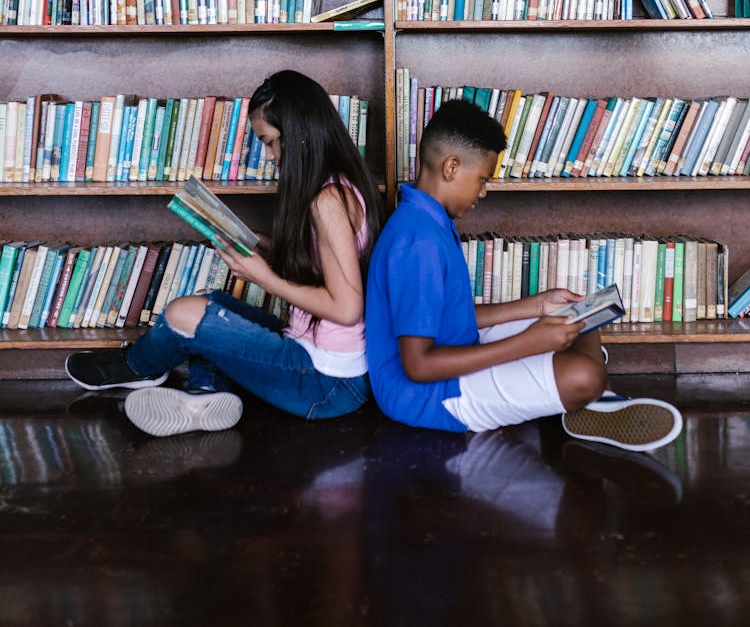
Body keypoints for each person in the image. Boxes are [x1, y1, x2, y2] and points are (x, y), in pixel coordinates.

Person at [66, 70, 384, 437]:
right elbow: (330, 261)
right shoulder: (342, 184)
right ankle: (204, 394)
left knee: (183, 314)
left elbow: (347, 308)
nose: (268, 155)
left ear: (298, 136)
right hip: (326, 366)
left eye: (270, 142)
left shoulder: (327, 200)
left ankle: (141, 367)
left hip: (324, 383)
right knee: (210, 301)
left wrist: (264, 278)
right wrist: (264, 243)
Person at [365, 98, 683, 451]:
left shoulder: (430, 220)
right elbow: (418, 366)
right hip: (425, 396)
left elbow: (448, 317)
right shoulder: (417, 242)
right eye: (482, 179)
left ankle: (592, 400)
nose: (484, 192)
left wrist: (536, 307)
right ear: (451, 167)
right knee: (585, 375)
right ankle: (592, 394)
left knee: (579, 319)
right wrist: (528, 343)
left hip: (453, 352)